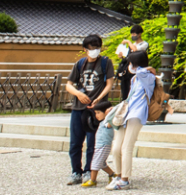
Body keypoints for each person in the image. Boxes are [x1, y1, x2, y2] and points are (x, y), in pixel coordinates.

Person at [65, 33, 114, 186]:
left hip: (96, 110)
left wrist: (100, 98)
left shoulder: (106, 63)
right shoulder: (80, 64)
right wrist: (78, 94)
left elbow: (109, 84)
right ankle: (76, 172)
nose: (95, 51)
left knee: (93, 143)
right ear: (85, 49)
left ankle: (88, 171)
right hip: (79, 108)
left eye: (97, 48)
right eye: (92, 48)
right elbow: (68, 84)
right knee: (75, 142)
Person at [107, 51, 154, 190]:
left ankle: (125, 180)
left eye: (131, 63)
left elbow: (142, 73)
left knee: (126, 147)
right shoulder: (135, 79)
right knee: (116, 148)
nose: (129, 66)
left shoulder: (148, 76)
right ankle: (118, 175)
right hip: (126, 114)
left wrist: (144, 68)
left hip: (137, 114)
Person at [83, 100, 121, 188]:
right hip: (99, 146)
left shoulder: (108, 122)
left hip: (104, 146)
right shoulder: (102, 123)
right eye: (96, 113)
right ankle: (112, 175)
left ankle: (93, 180)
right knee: (102, 164)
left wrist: (110, 112)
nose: (97, 115)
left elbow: (113, 116)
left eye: (99, 113)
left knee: (95, 163)